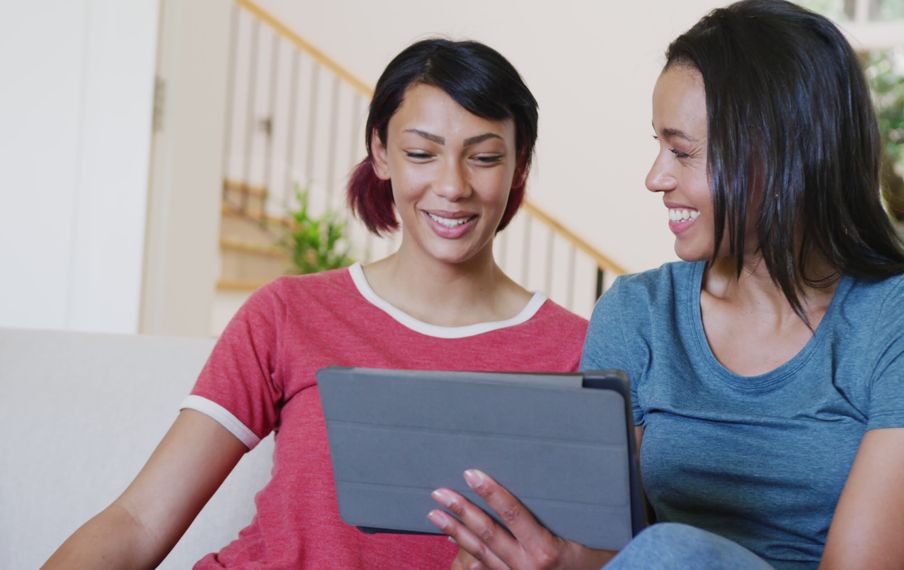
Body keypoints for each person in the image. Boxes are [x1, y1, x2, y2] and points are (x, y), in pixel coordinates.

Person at [431, 2, 904, 569]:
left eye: (683, 151)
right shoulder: (638, 312)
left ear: (780, 154)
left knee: (672, 551)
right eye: (659, 146)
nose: (655, 177)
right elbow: (602, 542)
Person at [44, 38, 588, 569]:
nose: (452, 185)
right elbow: (139, 520)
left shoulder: (577, 350)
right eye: (421, 153)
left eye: (485, 157)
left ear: (520, 166)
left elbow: (612, 551)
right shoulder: (289, 312)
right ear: (380, 153)